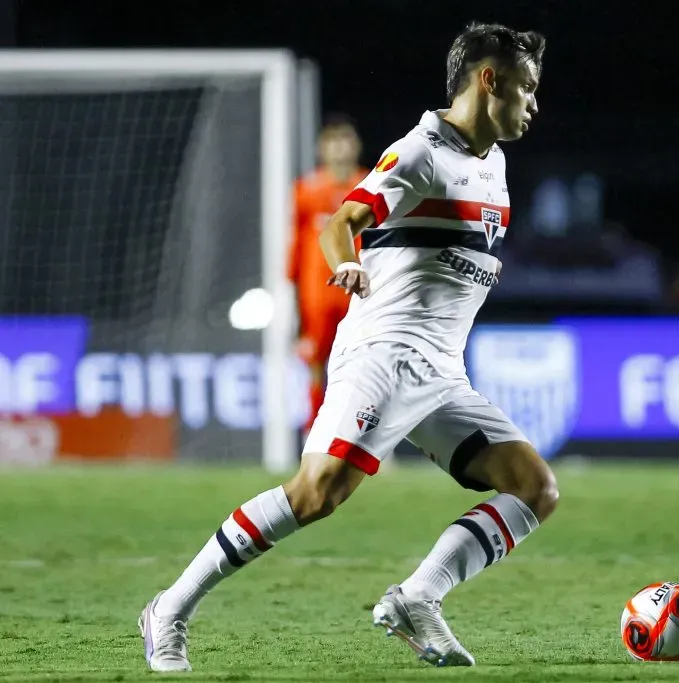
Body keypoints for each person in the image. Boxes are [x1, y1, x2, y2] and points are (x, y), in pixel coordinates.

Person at [139, 22, 556, 672]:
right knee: (316, 494)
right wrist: (345, 264)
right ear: (489, 79)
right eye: (526, 89)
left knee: (534, 488)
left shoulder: (493, 163)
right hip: (382, 355)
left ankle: (420, 597)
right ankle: (169, 608)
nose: (534, 104)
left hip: (442, 374)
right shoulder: (420, 150)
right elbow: (342, 222)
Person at [289, 116, 369, 434]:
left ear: (356, 146)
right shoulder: (307, 190)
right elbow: (294, 247)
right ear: (321, 148)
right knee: (316, 365)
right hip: (317, 296)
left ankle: (365, 437)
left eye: (345, 140)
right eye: (332, 141)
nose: (339, 149)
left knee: (364, 366)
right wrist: (291, 294)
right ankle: (315, 435)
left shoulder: (369, 185)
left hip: (360, 293)